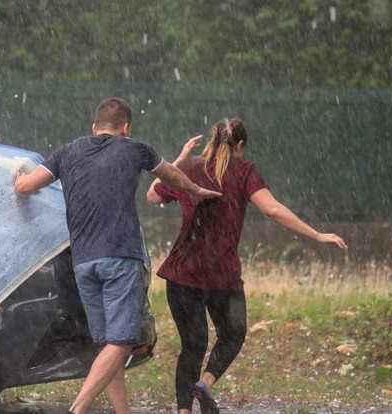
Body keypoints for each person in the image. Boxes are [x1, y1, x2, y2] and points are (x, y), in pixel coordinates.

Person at [14, 97, 221, 414]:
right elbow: (171, 176)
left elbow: (27, 186)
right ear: (126, 128)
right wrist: (196, 191)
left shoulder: (67, 151)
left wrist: (17, 177)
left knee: (109, 346)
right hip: (121, 259)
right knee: (121, 342)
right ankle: (78, 408)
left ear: (95, 128)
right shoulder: (136, 148)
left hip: (83, 262)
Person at [146, 118, 348, 414]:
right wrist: (316, 234)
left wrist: (179, 159)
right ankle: (205, 384)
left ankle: (184, 410)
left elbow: (152, 194)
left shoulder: (190, 168)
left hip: (182, 273)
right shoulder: (243, 171)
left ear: (212, 140)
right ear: (239, 145)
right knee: (234, 333)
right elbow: (272, 209)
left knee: (193, 345)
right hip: (221, 276)